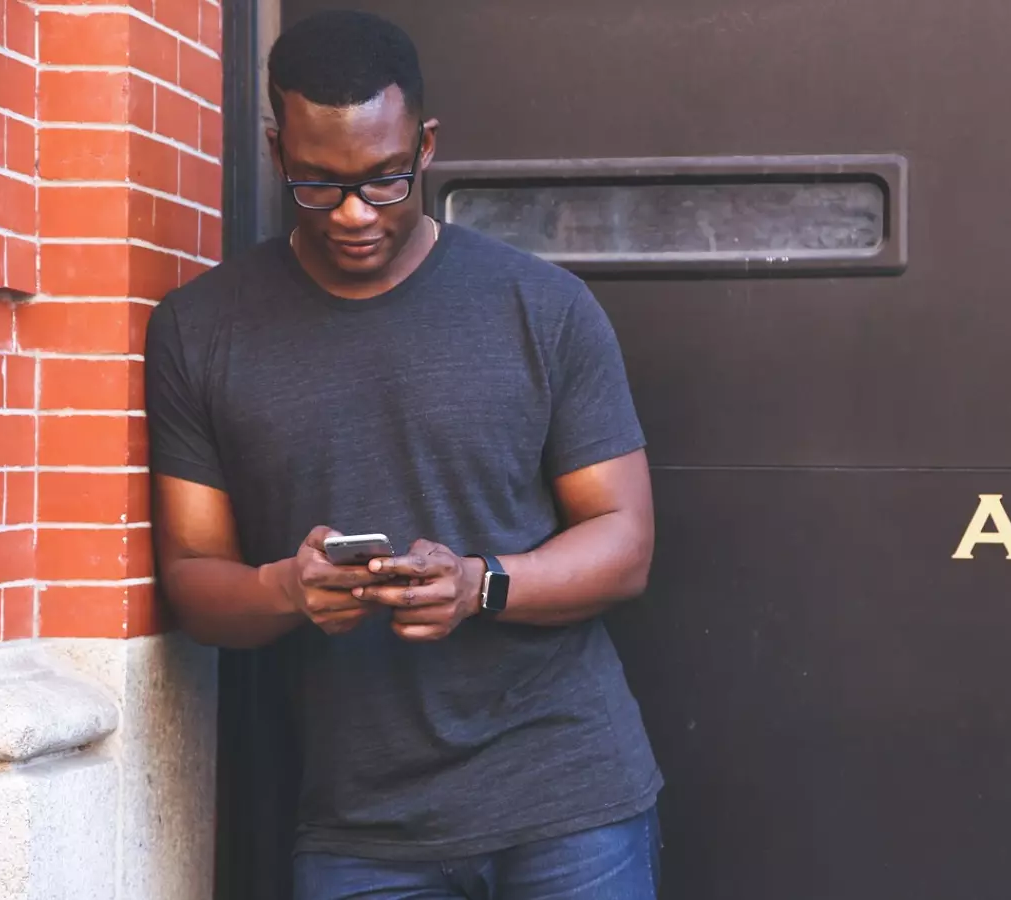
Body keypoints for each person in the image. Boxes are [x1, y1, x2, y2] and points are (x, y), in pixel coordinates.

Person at [144, 9, 663, 899]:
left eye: (383, 181)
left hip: (568, 799)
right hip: (360, 831)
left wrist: (479, 585)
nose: (352, 212)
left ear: (426, 145)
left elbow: (625, 542)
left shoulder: (542, 307)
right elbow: (193, 578)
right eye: (318, 183)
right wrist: (286, 589)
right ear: (276, 152)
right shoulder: (201, 330)